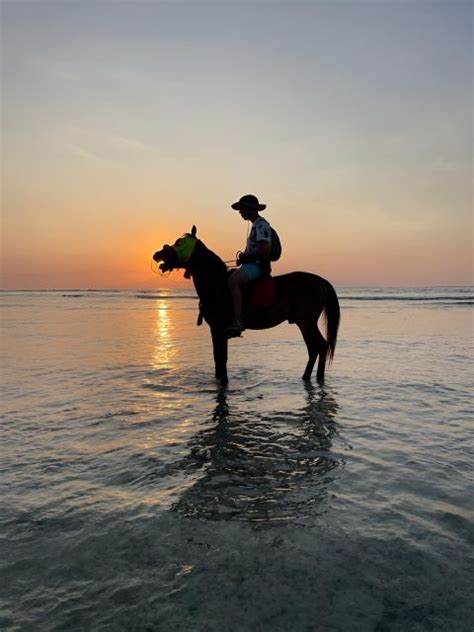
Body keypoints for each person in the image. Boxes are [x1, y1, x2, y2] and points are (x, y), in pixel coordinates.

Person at [226, 194, 273, 338]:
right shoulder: (256, 225)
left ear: (249, 209)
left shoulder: (261, 225)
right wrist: (244, 258)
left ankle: (238, 322)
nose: (240, 212)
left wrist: (247, 256)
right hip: (252, 264)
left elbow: (265, 249)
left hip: (258, 266)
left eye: (241, 209)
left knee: (233, 281)